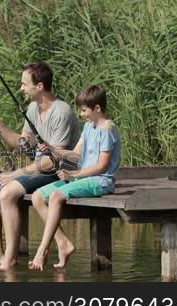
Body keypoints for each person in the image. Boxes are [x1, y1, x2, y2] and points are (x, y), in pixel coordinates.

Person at [0, 61, 80, 271]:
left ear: (39, 86)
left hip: (60, 171)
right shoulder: (33, 108)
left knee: (7, 193)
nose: (21, 88)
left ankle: (10, 259)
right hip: (38, 168)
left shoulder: (62, 112)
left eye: (24, 84)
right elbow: (22, 144)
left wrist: (18, 173)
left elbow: (54, 159)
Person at [29, 85, 121, 271]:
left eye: (84, 110)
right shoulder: (88, 127)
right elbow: (74, 155)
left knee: (55, 196)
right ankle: (63, 244)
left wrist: (74, 174)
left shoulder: (108, 129)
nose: (82, 114)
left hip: (100, 181)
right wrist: (51, 148)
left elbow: (101, 166)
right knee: (37, 196)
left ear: (97, 108)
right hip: (82, 178)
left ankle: (42, 249)